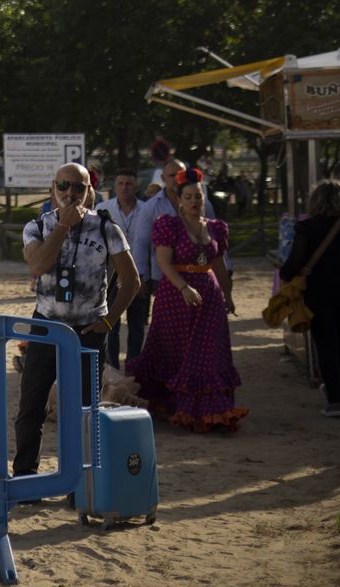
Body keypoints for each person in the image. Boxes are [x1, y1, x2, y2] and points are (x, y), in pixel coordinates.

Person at [14, 162, 140, 478]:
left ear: (89, 191)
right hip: (46, 326)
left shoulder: (107, 229)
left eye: (78, 187)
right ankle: (26, 476)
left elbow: (132, 280)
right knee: (31, 407)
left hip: (88, 328)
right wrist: (61, 228)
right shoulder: (37, 227)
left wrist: (110, 321)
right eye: (64, 186)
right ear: (53, 189)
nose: (71, 194)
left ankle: (80, 480)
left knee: (83, 410)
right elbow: (39, 266)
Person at [127, 167, 245, 432]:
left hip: (209, 298)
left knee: (207, 353)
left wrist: (228, 294)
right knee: (174, 350)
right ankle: (171, 404)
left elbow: (219, 265)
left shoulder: (215, 228)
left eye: (198, 197)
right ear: (180, 200)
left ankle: (207, 410)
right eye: (189, 196)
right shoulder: (169, 225)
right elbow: (164, 263)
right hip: (175, 296)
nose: (194, 201)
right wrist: (183, 288)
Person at [280, 179, 340, 417]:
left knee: (327, 345)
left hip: (319, 295)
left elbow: (295, 261)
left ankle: (336, 400)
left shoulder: (307, 227)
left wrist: (286, 274)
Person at [95, 168, 149, 368]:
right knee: (112, 324)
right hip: (110, 277)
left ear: (136, 186)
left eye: (129, 183)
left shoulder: (146, 209)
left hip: (141, 276)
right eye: (121, 183)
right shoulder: (103, 208)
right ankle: (112, 367)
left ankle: (134, 366)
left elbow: (152, 247)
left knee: (137, 324)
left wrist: (144, 276)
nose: (125, 187)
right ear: (115, 186)